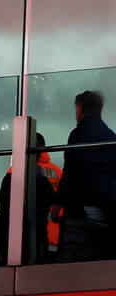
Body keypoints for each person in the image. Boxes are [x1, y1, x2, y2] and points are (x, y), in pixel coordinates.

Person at [51, 90, 116, 262]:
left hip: (80, 216)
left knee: (70, 272)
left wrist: (58, 204)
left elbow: (72, 170)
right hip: (106, 217)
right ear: (100, 110)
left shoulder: (78, 134)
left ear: (80, 109)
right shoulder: (111, 137)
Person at [0, 134, 54, 265]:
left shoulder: (12, 176)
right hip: (39, 241)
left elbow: (7, 210)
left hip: (12, 243)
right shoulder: (49, 179)